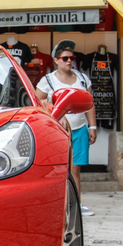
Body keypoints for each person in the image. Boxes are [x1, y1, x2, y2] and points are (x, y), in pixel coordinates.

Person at [35, 40, 96, 215]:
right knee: (60, 169)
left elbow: (90, 104)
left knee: (76, 169)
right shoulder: (48, 80)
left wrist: (93, 127)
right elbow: (36, 102)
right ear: (56, 60)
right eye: (65, 58)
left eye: (71, 58)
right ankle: (59, 205)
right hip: (57, 131)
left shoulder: (83, 79)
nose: (69, 61)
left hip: (79, 128)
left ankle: (76, 205)